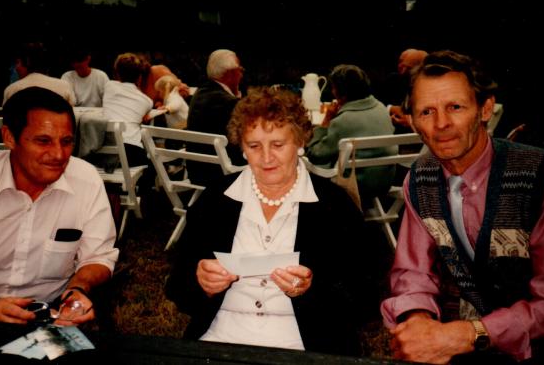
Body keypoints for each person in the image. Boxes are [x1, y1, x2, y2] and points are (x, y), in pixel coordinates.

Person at [380, 50, 544, 364]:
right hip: (455, 353)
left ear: (485, 109)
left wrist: (467, 333)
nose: (441, 124)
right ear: (413, 120)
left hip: (541, 352)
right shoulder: (419, 179)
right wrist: (418, 320)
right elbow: (411, 273)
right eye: (426, 111)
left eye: (455, 107)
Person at [165, 86, 379, 355]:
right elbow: (177, 287)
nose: (266, 158)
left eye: (278, 144)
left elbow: (364, 298)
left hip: (304, 345)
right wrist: (202, 284)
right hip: (221, 337)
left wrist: (311, 291)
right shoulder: (216, 199)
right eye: (254, 146)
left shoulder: (334, 206)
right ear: (241, 147)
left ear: (300, 142)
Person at [0, 87, 119, 325]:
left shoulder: (86, 180)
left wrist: (78, 289)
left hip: (52, 313)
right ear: (9, 137)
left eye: (66, 142)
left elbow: (98, 256)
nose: (58, 154)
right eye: (43, 141)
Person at [306, 64, 397, 204]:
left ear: (339, 92)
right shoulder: (381, 108)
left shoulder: (343, 121)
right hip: (383, 183)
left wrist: (326, 121)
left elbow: (316, 155)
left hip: (355, 186)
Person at [186, 48, 246, 187]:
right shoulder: (228, 102)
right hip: (220, 175)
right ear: (231, 73)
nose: (241, 74)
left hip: (197, 171)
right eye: (240, 69)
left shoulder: (200, 93)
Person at [3, 42, 77, 106]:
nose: (15, 68)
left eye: (17, 62)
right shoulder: (64, 86)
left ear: (27, 62)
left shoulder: (11, 90)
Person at [382, 48, 428, 129]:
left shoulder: (433, 86)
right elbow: (378, 104)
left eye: (408, 67)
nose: (401, 67)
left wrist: (411, 123)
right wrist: (391, 109)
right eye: (400, 62)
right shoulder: (393, 80)